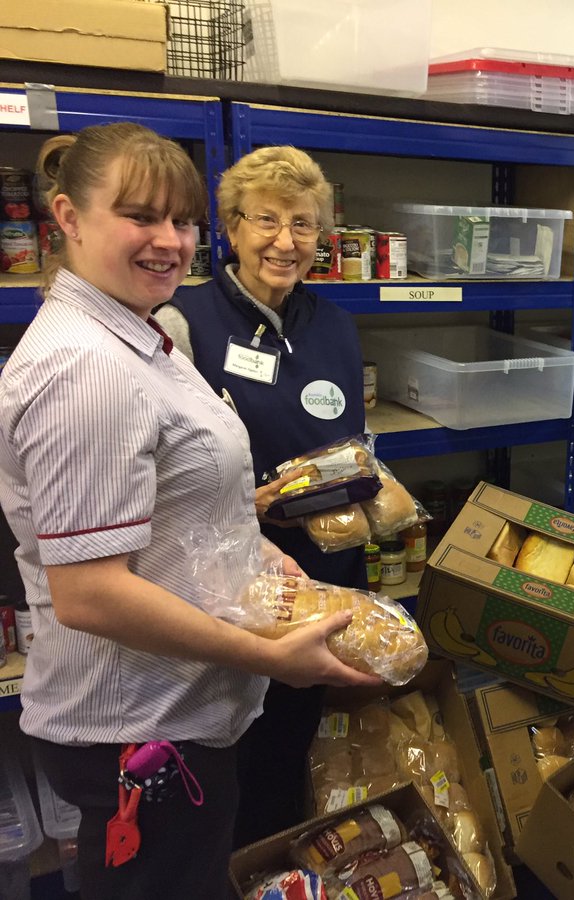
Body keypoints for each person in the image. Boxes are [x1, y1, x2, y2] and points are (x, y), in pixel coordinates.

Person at [0, 123, 378, 900]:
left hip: (177, 711)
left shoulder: (132, 332)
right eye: (141, 216)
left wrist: (254, 547)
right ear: (68, 217)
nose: (168, 241)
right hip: (141, 724)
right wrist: (269, 658)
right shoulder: (86, 367)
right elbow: (90, 591)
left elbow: (176, 500)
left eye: (180, 221)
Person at [156, 145, 368, 846]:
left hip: (325, 578)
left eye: (303, 224)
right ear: (232, 229)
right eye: (266, 221)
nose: (286, 241)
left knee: (287, 751)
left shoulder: (334, 325)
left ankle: (274, 874)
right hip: (232, 593)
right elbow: (162, 481)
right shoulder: (183, 321)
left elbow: (351, 443)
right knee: (225, 769)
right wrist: (239, 512)